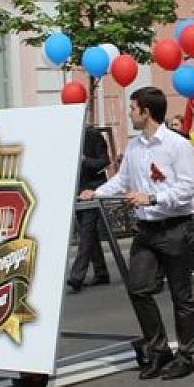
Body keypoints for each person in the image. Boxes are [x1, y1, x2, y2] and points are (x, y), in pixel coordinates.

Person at [79, 87, 194, 381]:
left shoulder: (177, 145)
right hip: (146, 230)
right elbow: (122, 179)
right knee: (138, 288)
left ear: (146, 112)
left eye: (133, 108)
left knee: (181, 295)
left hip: (175, 227)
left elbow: (186, 189)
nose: (130, 113)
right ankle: (159, 351)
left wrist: (153, 199)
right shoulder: (135, 146)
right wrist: (96, 192)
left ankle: (185, 356)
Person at [68, 123, 112, 293]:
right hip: (78, 189)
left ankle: (76, 276)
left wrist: (86, 160)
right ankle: (101, 272)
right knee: (89, 233)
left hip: (93, 189)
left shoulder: (93, 135)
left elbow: (104, 161)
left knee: (86, 233)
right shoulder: (68, 136)